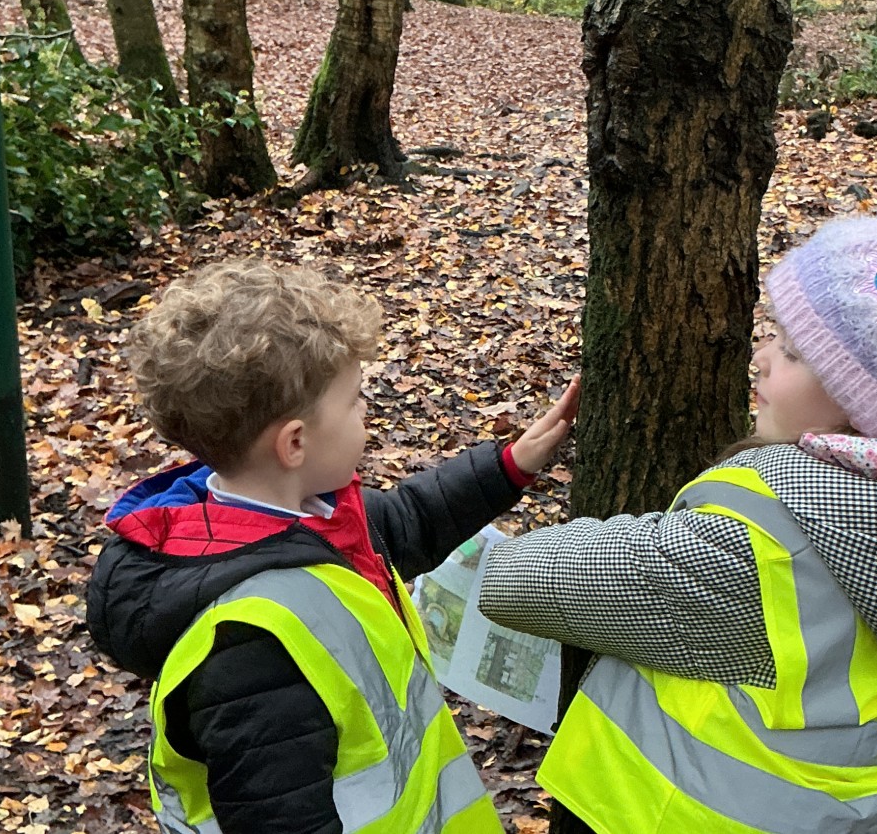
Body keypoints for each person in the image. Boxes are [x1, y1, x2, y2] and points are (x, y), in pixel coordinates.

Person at [478, 212, 877, 834]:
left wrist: (480, 554)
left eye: (795, 353)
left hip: (669, 811)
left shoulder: (769, 532)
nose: (763, 358)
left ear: (866, 409)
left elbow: (523, 583)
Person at [85, 259, 579, 834]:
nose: (366, 412)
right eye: (354, 400)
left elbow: (404, 523)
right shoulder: (252, 652)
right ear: (295, 442)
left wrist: (506, 468)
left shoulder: (302, 514)